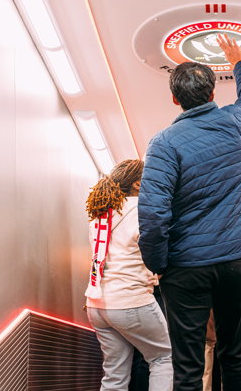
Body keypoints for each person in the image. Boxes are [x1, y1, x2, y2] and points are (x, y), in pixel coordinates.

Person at [138, 34, 241, 391]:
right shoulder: (237, 123)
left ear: (175, 99)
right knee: (233, 353)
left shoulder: (164, 143)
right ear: (212, 94)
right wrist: (240, 61)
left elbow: (152, 214)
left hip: (186, 268)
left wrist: (159, 264)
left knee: (189, 365)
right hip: (237, 262)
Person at [85, 159, 173, 391]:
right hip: (130, 302)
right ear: (137, 183)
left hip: (97, 305)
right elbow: (154, 252)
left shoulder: (100, 213)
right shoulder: (141, 211)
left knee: (114, 376)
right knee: (163, 358)